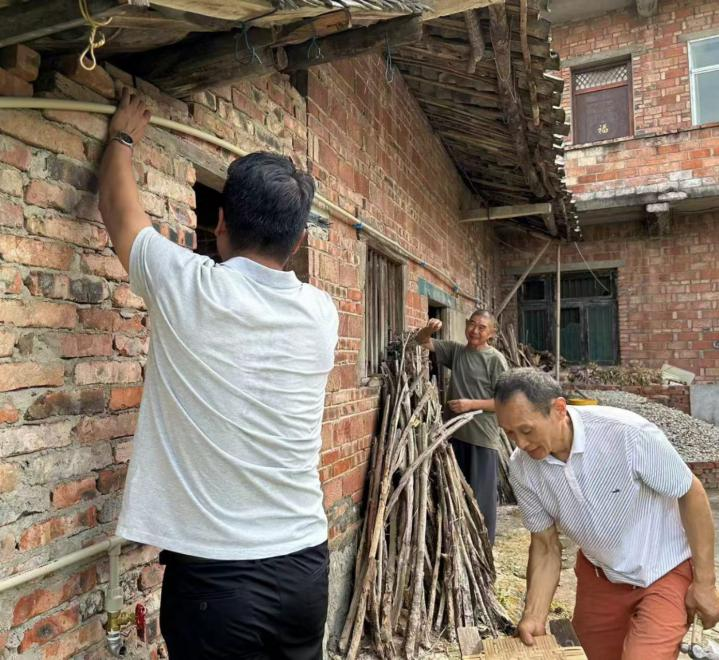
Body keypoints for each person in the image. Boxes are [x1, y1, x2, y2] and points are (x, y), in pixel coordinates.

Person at [98, 88, 338, 659]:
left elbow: (118, 211)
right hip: (305, 566)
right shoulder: (322, 313)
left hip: (218, 581)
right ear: (299, 241)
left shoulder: (190, 287)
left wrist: (121, 138)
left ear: (220, 222)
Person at [494, 368, 719, 660]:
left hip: (663, 570)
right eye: (509, 433)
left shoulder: (627, 434)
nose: (521, 443)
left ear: (559, 409)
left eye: (526, 430)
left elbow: (691, 493)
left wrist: (704, 583)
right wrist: (534, 615)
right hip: (601, 576)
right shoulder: (522, 467)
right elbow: (545, 545)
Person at [416, 310, 508, 543]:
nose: (475, 331)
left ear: (492, 333)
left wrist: (470, 405)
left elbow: (505, 401)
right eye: (472, 324)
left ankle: (484, 546)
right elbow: (422, 341)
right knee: (457, 493)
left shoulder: (495, 360)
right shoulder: (456, 351)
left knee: (481, 499)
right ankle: (461, 544)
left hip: (481, 438)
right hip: (455, 434)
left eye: (482, 327)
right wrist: (429, 329)